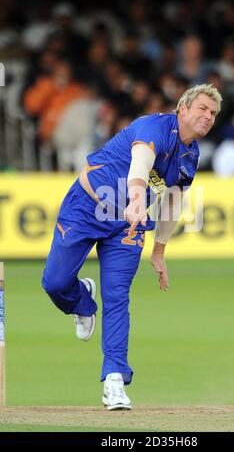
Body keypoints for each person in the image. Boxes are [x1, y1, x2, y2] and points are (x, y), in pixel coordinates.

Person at [42, 84, 222, 411]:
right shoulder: (153, 126)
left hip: (128, 223)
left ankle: (114, 381)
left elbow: (173, 202)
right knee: (54, 283)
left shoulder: (190, 156)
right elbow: (140, 165)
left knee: (117, 296)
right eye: (203, 109)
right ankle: (81, 301)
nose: (208, 117)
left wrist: (159, 250)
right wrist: (138, 199)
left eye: (213, 113)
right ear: (183, 108)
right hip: (86, 206)